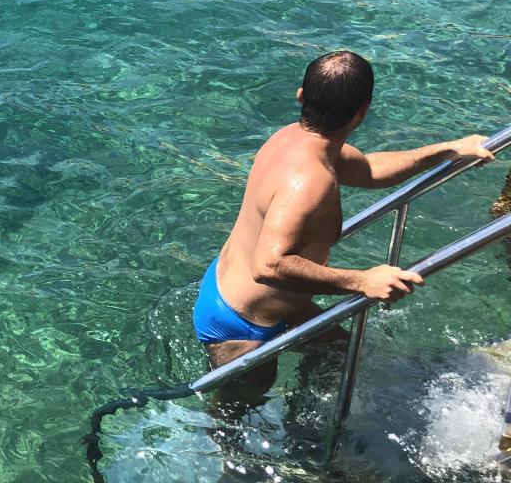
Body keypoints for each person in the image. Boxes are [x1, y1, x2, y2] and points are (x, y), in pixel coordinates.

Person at [192, 50, 494, 399]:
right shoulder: (309, 180)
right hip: (241, 324)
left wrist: (450, 150)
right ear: (363, 110)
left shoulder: (294, 139)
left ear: (301, 97)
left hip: (258, 298)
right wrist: (362, 280)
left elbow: (370, 169)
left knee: (340, 356)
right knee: (236, 416)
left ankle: (305, 416)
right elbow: (269, 265)